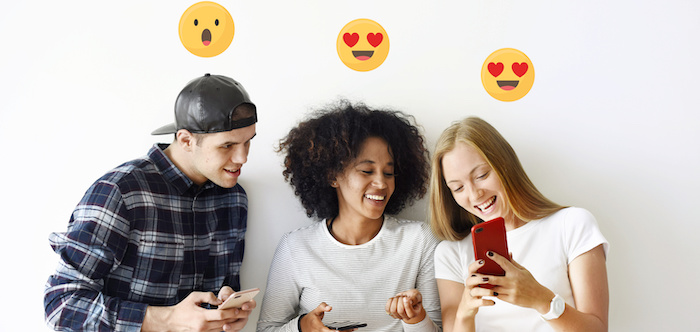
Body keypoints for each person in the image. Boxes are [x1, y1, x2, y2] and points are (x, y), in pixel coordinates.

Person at [44, 73, 259, 332]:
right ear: (186, 140)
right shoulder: (121, 192)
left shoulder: (234, 198)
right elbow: (61, 305)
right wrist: (167, 319)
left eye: (248, 142)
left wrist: (225, 309)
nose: (243, 158)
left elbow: (220, 291)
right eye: (227, 146)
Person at [256, 101, 442, 332]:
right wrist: (303, 327)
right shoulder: (295, 247)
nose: (381, 183)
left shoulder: (420, 240)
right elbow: (266, 329)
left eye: (389, 172)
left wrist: (416, 318)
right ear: (333, 175)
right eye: (366, 171)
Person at [428, 116, 609, 332]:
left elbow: (597, 328)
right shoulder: (450, 253)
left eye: (482, 175)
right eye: (458, 188)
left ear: (504, 164)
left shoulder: (572, 224)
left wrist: (541, 299)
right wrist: (465, 312)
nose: (475, 195)